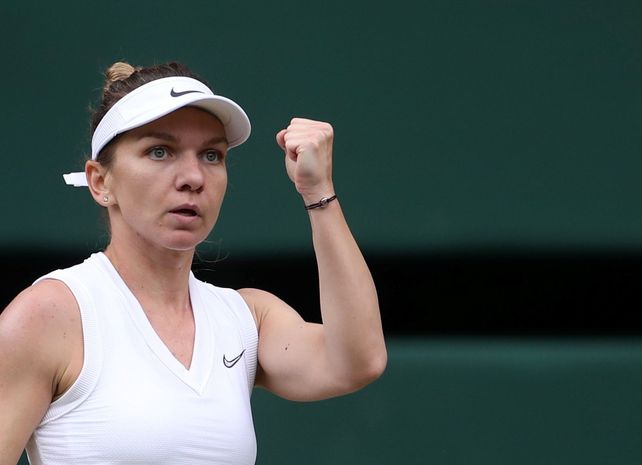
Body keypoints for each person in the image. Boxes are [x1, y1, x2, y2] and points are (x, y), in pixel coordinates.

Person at [0, 61, 386, 465]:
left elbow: (358, 361)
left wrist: (317, 191)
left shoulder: (246, 318)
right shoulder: (49, 314)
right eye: (159, 151)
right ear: (100, 182)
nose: (193, 177)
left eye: (211, 155)